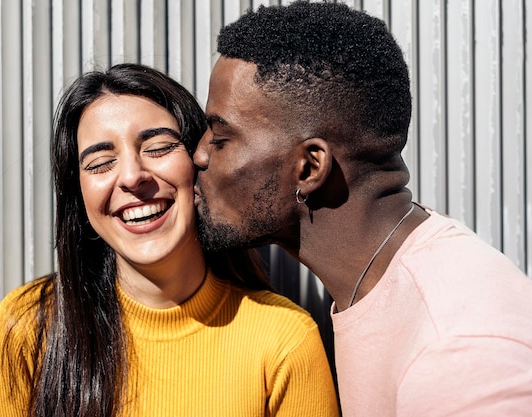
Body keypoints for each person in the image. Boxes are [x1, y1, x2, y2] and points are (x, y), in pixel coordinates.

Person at [193, 1, 532, 416]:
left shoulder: (461, 352)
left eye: (220, 138)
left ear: (309, 167)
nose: (198, 156)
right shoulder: (387, 284)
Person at [0, 63, 339, 417]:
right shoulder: (27, 328)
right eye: (99, 163)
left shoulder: (285, 341)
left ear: (200, 161)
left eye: (158, 147)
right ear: (78, 195)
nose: (132, 176)